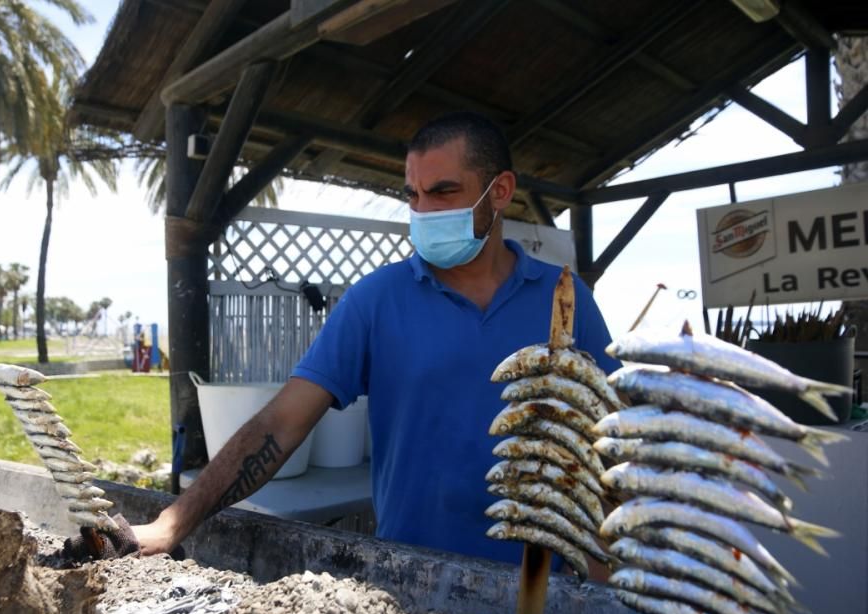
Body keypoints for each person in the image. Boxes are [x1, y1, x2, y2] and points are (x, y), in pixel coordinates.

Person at [133, 112, 620, 563]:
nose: (424, 211)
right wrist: (173, 522)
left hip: (544, 583)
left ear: (500, 191)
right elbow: (281, 423)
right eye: (413, 195)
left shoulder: (563, 300)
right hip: (413, 580)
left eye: (444, 192)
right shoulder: (375, 302)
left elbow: (610, 439)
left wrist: (606, 573)